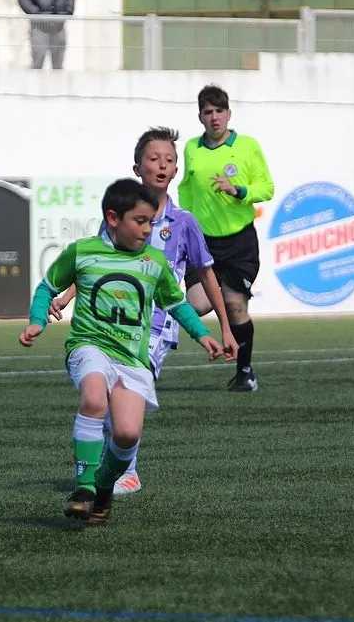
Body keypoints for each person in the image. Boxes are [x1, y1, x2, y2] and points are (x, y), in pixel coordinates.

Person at [19, 178, 224, 524]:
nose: (148, 229)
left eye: (151, 222)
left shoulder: (154, 263)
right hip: (89, 346)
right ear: (113, 218)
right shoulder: (82, 252)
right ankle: (83, 488)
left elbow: (177, 305)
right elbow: (46, 288)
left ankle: (102, 485)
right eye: (140, 221)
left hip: (132, 359)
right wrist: (37, 321)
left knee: (127, 434)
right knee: (95, 398)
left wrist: (203, 335)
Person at [47, 127, 239, 496]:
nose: (162, 165)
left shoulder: (185, 224)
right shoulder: (120, 217)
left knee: (121, 392)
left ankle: (126, 471)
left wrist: (225, 329)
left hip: (155, 327)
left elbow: (206, 275)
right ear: (138, 167)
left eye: (169, 159)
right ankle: (107, 468)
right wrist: (68, 295)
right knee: (102, 392)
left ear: (176, 169)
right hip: (110, 322)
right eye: (154, 159)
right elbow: (99, 264)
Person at [178, 84, 275, 393]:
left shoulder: (247, 146)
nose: (214, 117)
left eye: (220, 111)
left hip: (239, 244)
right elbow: (185, 189)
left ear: (229, 114)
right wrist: (184, 223)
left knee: (235, 309)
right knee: (195, 305)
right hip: (203, 244)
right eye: (208, 112)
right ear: (200, 117)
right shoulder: (192, 148)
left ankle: (245, 373)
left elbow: (267, 187)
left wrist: (239, 191)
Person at [18, 0, 74, 70]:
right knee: (37, 64)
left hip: (59, 27)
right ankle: (36, 82)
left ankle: (57, 83)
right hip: (39, 27)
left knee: (58, 67)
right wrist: (36, 13)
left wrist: (68, 12)